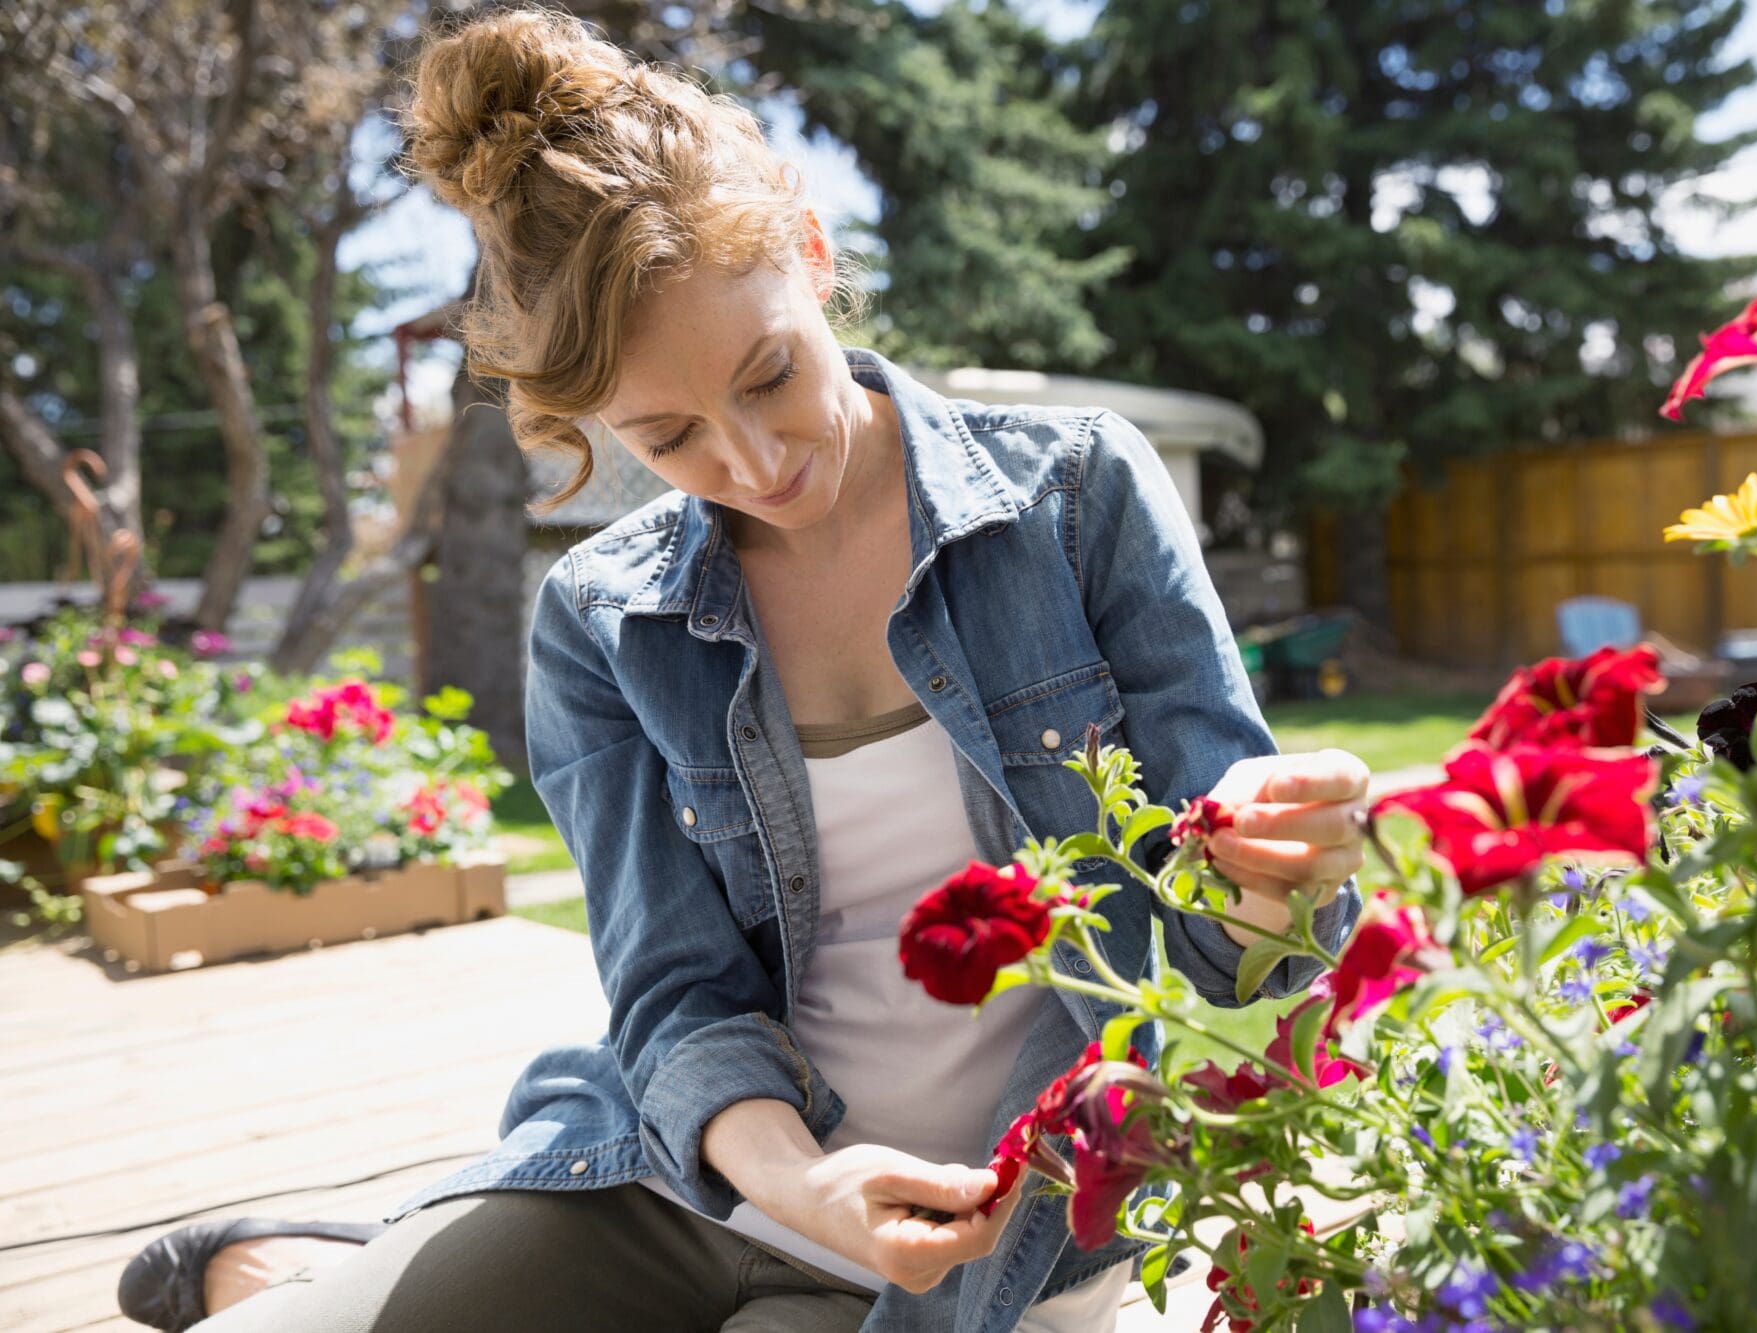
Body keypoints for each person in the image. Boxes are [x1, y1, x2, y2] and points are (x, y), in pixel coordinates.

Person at [114, 8, 1368, 1332]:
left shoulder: (1076, 497)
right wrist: (812, 1180)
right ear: (596, 429)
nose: (758, 462)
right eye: (669, 435)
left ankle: (318, 1247)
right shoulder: (602, 619)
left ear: (815, 259)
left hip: (1008, 1234)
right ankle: (317, 1270)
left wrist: (1277, 876)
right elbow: (676, 997)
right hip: (693, 1178)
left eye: (771, 374)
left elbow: (1230, 953)